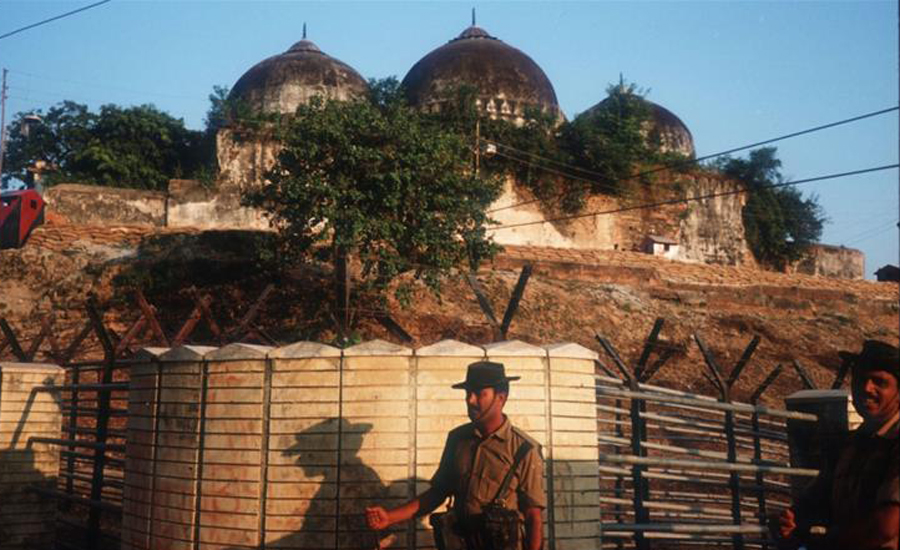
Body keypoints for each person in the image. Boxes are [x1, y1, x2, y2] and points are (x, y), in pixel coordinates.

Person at [365, 361, 546, 550]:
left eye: (479, 393)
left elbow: (533, 515)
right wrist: (389, 517)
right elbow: (437, 493)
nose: (471, 400)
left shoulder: (524, 449)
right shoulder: (458, 439)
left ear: (501, 397)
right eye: (468, 393)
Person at [770, 339, 900, 550]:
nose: (867, 388)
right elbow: (814, 503)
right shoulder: (849, 447)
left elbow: (885, 529)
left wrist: (821, 544)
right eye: (860, 380)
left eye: (879, 382)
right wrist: (788, 522)